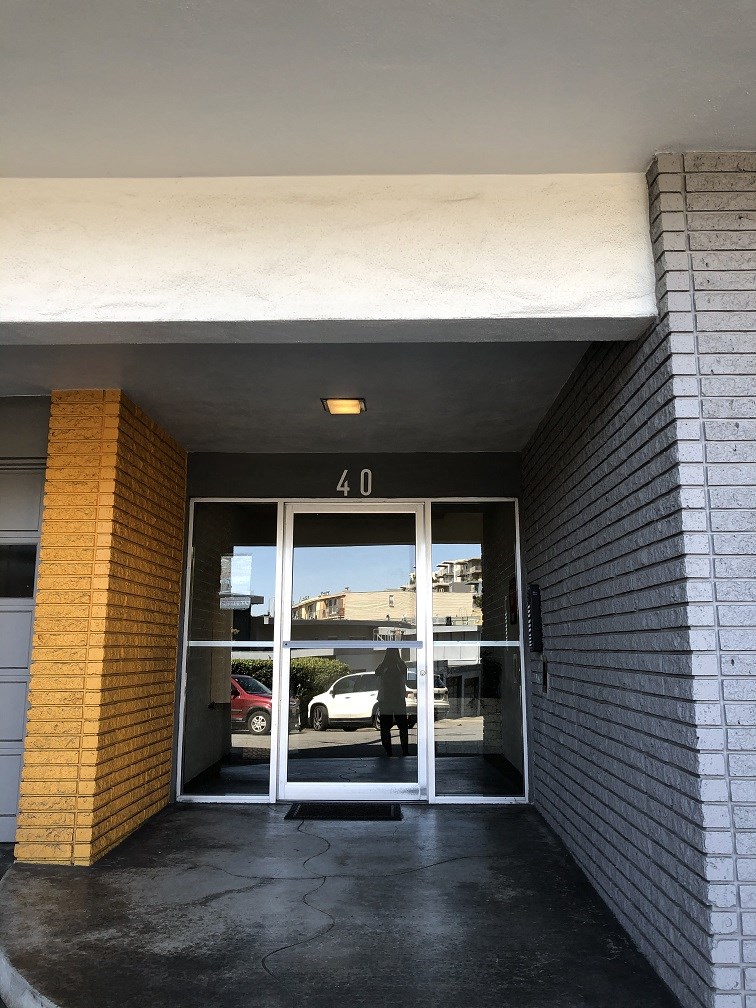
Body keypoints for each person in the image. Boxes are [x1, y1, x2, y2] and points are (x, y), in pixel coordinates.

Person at [374, 647, 410, 757]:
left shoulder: (385, 665)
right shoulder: (398, 665)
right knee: (402, 726)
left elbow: (377, 673)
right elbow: (404, 673)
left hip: (387, 700)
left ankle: (390, 751)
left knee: (386, 727)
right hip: (396, 700)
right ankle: (403, 750)